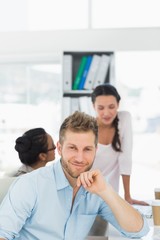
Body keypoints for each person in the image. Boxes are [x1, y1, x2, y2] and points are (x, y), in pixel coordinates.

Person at [0, 111, 149, 240]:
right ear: (59, 148)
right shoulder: (30, 185)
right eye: (72, 148)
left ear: (96, 150)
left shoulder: (98, 189)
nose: (79, 158)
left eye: (87, 149)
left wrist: (107, 192)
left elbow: (138, 231)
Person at [91, 83, 148, 205]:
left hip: (111, 196)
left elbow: (125, 158)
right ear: (93, 106)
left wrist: (128, 196)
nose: (106, 113)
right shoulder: (87, 127)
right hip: (88, 194)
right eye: (100, 108)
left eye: (111, 107)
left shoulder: (124, 118)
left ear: (118, 104)